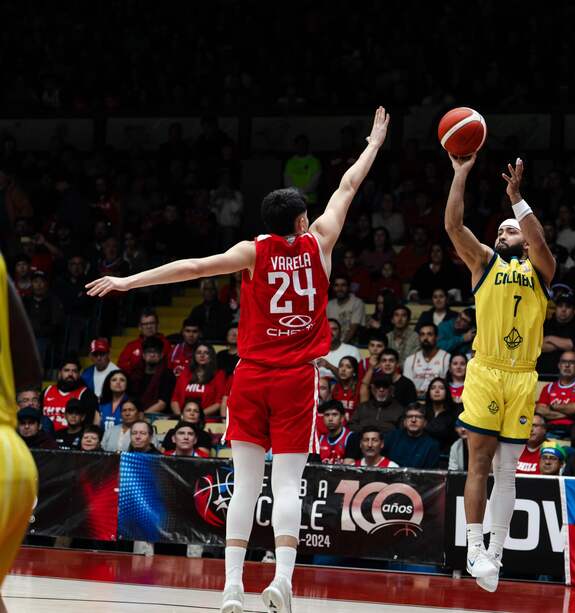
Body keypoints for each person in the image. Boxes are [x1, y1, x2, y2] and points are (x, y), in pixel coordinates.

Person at [87, 106, 389, 613]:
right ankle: (283, 583)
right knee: (290, 483)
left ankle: (231, 587)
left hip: (250, 377)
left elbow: (193, 266)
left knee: (245, 484)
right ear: (300, 219)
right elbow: (348, 186)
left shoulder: (251, 251)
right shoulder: (322, 242)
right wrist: (374, 143)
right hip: (296, 381)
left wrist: (128, 281)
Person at [445, 153, 554, 593]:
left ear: (523, 239)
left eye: (509, 230)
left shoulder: (541, 270)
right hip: (487, 370)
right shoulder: (483, 263)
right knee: (481, 462)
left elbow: (541, 244)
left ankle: (497, 552)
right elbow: (454, 227)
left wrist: (517, 201)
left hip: (524, 375)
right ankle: (473, 547)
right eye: (500, 230)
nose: (502, 233)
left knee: (509, 469)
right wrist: (459, 174)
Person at [536, 351, 575, 431]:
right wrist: (571, 414)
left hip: (574, 430)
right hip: (550, 430)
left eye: (571, 362)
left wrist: (553, 406)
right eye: (564, 362)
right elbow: (540, 410)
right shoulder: (549, 387)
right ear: (559, 365)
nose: (567, 365)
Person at [170, 343, 226, 418]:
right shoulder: (185, 373)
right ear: (194, 356)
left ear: (211, 356)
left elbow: (218, 403)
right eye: (199, 353)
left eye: (206, 353)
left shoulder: (219, 375)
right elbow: (175, 399)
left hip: (207, 419)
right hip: (182, 419)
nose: (202, 355)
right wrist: (181, 416)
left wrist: (198, 416)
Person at [42, 357, 98, 431]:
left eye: (74, 371)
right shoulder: (47, 391)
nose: (70, 374)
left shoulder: (86, 394)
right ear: (60, 373)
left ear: (79, 374)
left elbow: (88, 424)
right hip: (46, 439)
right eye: (66, 370)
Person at [128, 337, 177, 416]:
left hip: (159, 416)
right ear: (143, 355)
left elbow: (162, 404)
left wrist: (142, 415)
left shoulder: (167, 374)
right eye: (148, 352)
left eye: (156, 352)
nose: (152, 354)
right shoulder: (136, 374)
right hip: (136, 414)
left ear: (161, 355)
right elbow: (131, 398)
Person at [383, 404, 441, 469]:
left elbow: (430, 474)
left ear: (425, 422)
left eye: (418, 417)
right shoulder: (392, 437)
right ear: (404, 421)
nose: (413, 420)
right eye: (410, 416)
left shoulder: (432, 445)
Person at [403, 323, 450, 399]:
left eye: (429, 334)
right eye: (422, 334)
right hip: (415, 402)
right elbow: (407, 386)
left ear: (437, 337)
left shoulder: (447, 358)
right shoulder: (410, 360)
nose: (425, 338)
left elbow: (447, 385)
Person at [537, 292, 575, 375]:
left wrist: (549, 339)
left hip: (567, 375)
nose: (563, 309)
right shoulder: (545, 323)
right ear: (555, 308)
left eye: (568, 307)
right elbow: (538, 347)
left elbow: (571, 345)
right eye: (560, 306)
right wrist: (561, 345)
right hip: (541, 372)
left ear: (574, 310)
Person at [188, 278, 234, 342]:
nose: (209, 292)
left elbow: (226, 330)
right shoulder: (196, 310)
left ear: (216, 290)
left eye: (212, 289)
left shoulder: (225, 308)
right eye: (206, 289)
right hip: (200, 345)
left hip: (221, 343)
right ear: (202, 291)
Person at [423, 377, 460, 453]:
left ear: (447, 392)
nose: (437, 391)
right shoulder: (422, 411)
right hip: (423, 451)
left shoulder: (454, 413)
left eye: (441, 388)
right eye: (433, 388)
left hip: (446, 453)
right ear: (429, 392)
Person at [326, 275, 365, 345]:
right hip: (332, 344)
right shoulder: (329, 305)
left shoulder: (357, 303)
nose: (340, 288)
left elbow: (354, 328)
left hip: (352, 343)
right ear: (333, 288)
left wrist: (342, 346)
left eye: (343, 285)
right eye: (336, 285)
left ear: (349, 287)